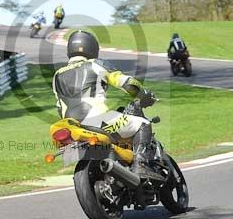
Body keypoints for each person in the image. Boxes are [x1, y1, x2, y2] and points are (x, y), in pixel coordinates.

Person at [52, 30, 160, 179]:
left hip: (74, 126)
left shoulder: (57, 75)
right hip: (99, 121)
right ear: (92, 48)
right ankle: (141, 165)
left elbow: (59, 107)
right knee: (143, 124)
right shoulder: (96, 64)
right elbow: (127, 83)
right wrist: (144, 95)